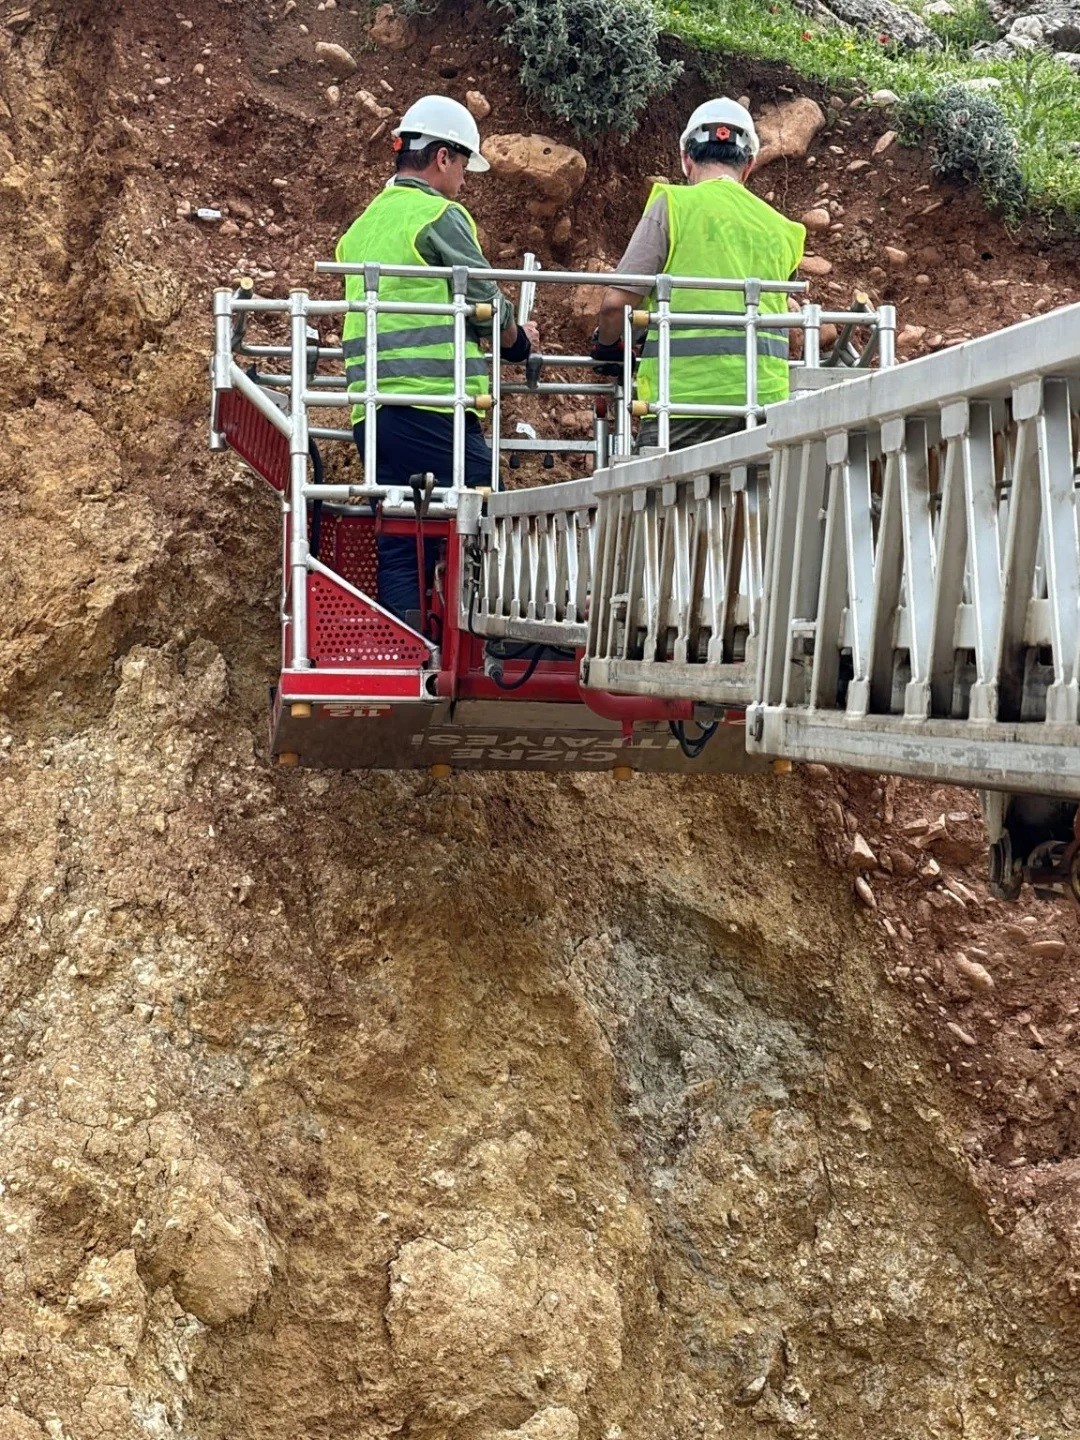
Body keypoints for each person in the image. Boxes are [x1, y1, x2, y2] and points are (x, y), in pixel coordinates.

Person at [335, 95, 539, 622]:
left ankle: (411, 648)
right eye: (465, 163)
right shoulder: (440, 216)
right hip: (433, 409)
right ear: (442, 157)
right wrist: (518, 341)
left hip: (373, 414)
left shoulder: (361, 225)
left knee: (403, 537)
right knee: (491, 513)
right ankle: (508, 638)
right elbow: (486, 302)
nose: (465, 178)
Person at [591, 98, 805, 452]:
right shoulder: (784, 230)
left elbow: (615, 306)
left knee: (661, 505)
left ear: (686, 159)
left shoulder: (674, 205)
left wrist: (608, 346)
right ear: (749, 164)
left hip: (683, 405)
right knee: (753, 506)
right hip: (766, 406)